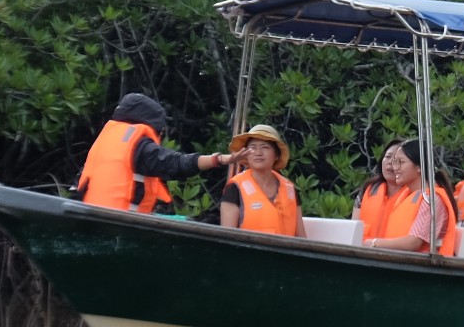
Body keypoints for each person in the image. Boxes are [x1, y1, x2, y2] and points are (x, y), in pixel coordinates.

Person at [77, 92, 234, 212]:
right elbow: (176, 164)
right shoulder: (140, 147)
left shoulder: (106, 141)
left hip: (91, 216)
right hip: (119, 225)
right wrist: (217, 160)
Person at [364, 137, 459, 255]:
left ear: (419, 167)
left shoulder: (431, 199)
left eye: (401, 162)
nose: (395, 168)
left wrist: (373, 243)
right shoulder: (407, 196)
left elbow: (414, 242)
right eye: (395, 162)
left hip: (418, 267)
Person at [220, 124, 301, 236]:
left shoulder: (290, 189)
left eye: (265, 147)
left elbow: (301, 237)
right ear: (246, 154)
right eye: (252, 148)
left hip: (285, 253)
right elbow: (227, 238)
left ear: (276, 155)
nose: (258, 153)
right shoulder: (234, 188)